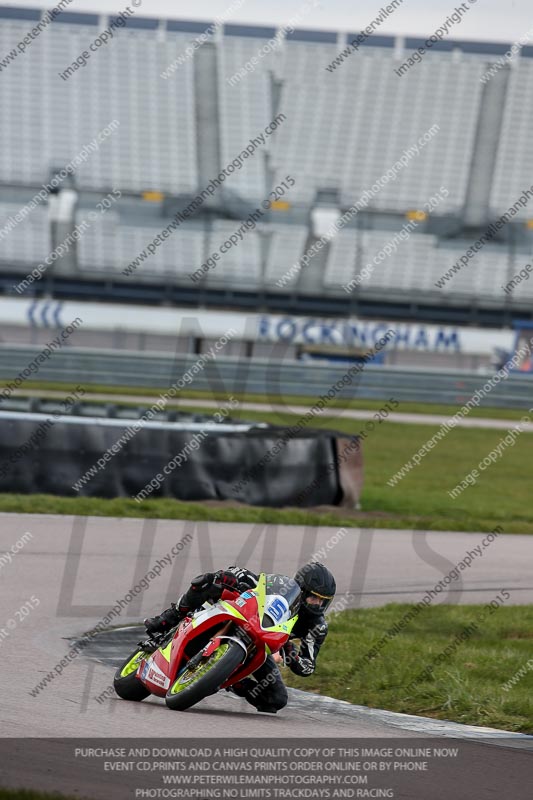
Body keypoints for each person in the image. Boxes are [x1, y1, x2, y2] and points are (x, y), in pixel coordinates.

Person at [144, 562, 337, 714]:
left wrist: (292, 655)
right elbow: (251, 578)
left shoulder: (316, 627)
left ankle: (226, 679)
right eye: (314, 598)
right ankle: (169, 618)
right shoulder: (281, 588)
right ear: (301, 590)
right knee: (207, 581)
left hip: (261, 644)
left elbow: (308, 666)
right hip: (242, 615)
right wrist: (234, 576)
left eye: (323, 601)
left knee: (276, 699)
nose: (318, 605)